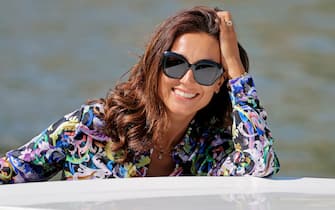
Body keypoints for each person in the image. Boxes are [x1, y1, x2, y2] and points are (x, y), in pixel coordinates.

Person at [0, 6, 280, 184]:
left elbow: (259, 163)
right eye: (175, 64)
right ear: (154, 67)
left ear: (221, 82)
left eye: (206, 70)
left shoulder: (211, 148)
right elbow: (8, 173)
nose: (187, 79)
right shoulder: (90, 127)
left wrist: (236, 67)